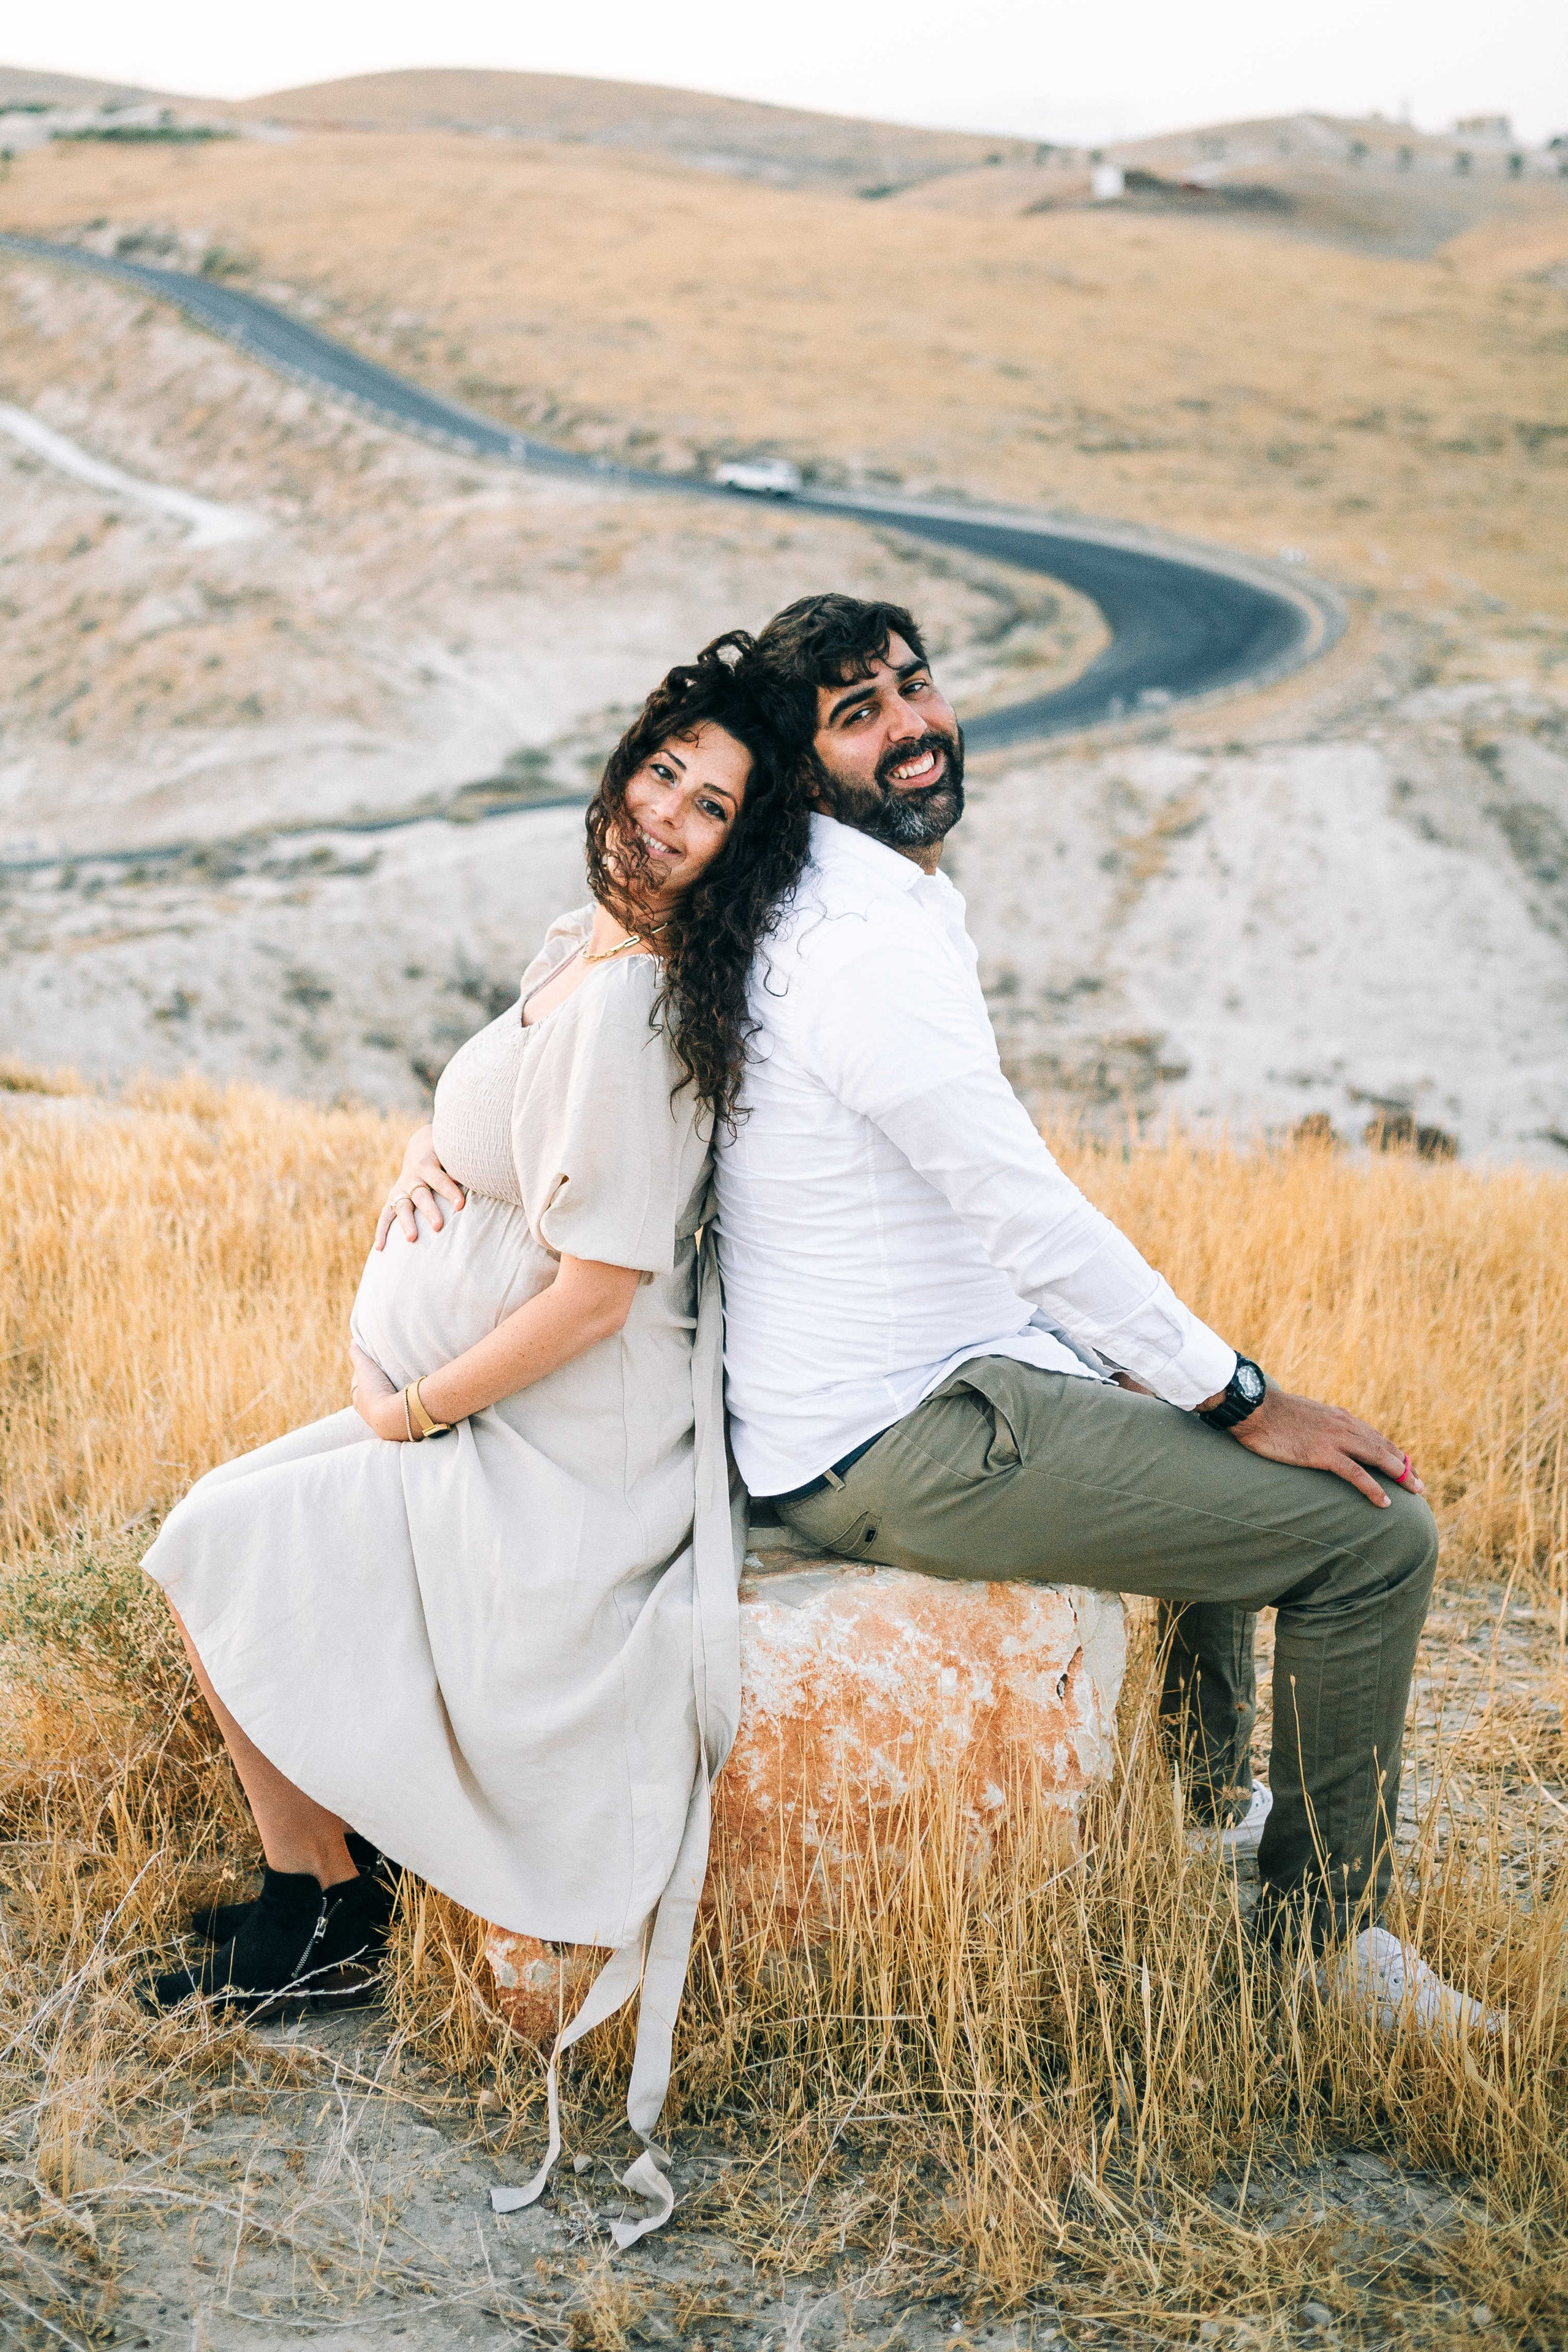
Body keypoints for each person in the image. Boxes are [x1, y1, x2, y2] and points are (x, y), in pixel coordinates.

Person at [712, 591, 1483, 2031]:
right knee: (1373, 1536)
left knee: (1159, 1400)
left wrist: (1157, 1376)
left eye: (913, 687)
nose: (911, 729)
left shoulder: (854, 903)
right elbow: (1022, 1210)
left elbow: (970, 1227)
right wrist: (1239, 1393)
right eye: (857, 715)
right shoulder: (861, 947)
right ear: (804, 765)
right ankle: (1320, 1957)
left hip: (907, 1391)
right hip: (896, 1437)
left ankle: (1201, 1817)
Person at [142, 633, 811, 2241]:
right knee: (212, 1528)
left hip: (558, 1452)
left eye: (710, 808)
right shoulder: (577, 954)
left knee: (214, 1538)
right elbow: (501, 1134)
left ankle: (323, 1913)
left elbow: (597, 1292)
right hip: (495, 1419)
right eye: (661, 770)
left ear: (736, 857)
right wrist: (418, 1169)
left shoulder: (643, 1006)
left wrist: (415, 1401)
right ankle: (317, 1892)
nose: (664, 812)